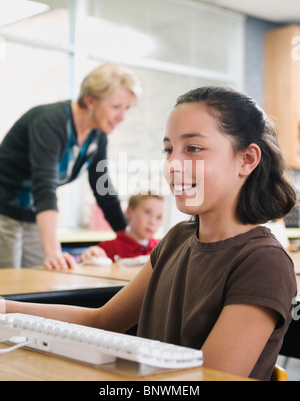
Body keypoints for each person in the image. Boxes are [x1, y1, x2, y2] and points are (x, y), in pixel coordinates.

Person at [4, 87, 298, 381]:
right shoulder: (177, 239)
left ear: (247, 159)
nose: (172, 165)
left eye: (193, 149)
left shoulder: (264, 263)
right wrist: (5, 307)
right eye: (169, 150)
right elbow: (102, 320)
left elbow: (205, 381)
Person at [0, 63, 141, 270]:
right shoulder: (50, 121)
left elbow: (102, 188)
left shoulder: (97, 134)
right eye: (116, 107)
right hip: (3, 210)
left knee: (42, 278)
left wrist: (127, 235)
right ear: (91, 101)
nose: (123, 117)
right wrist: (53, 251)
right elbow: (45, 186)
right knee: (8, 282)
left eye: (126, 109)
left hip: (32, 216)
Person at [81, 193, 163, 263]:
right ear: (129, 212)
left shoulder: (162, 249)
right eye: (147, 213)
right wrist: (89, 256)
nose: (152, 222)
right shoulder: (108, 248)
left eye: (158, 217)